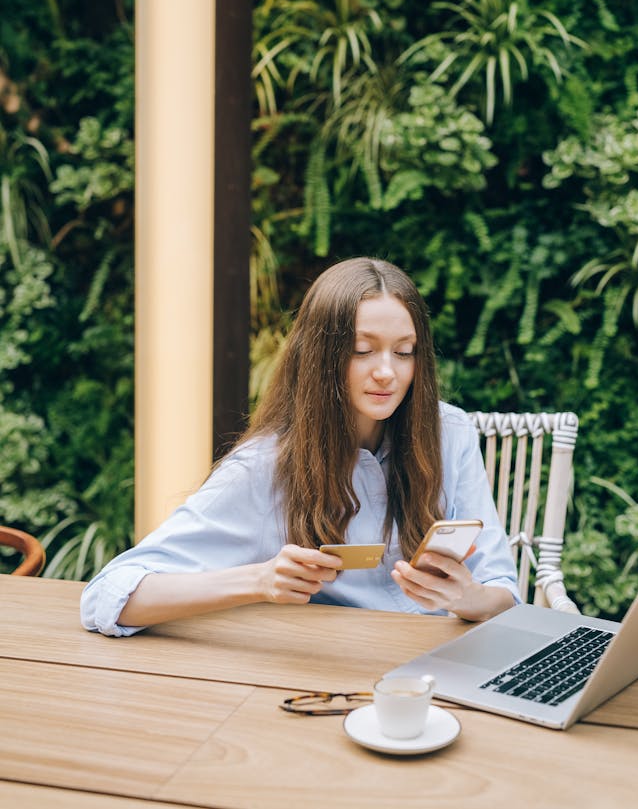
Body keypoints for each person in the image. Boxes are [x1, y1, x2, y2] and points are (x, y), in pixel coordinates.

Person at [81, 257, 519, 636]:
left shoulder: (450, 432)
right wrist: (259, 580)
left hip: (443, 667)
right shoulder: (265, 466)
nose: (388, 371)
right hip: (329, 680)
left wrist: (469, 598)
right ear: (321, 357)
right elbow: (109, 594)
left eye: (404, 352)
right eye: (362, 350)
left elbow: (503, 590)